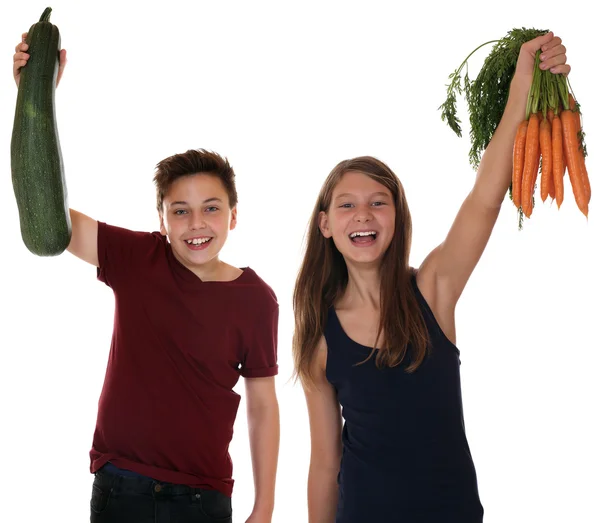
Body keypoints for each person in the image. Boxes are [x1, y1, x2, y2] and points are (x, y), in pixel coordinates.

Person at [292, 32, 570, 522]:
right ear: (325, 224)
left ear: (397, 218)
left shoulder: (432, 290)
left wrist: (522, 93)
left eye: (379, 202)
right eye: (347, 205)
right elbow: (324, 463)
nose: (364, 215)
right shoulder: (319, 335)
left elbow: (484, 199)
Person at [13, 34, 280, 523]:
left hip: (204, 497)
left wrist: (264, 506)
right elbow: (49, 222)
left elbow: (263, 405)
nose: (196, 224)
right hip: (121, 486)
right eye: (180, 211)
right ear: (162, 220)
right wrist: (33, 96)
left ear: (234, 217)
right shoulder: (137, 257)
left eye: (211, 209)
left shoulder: (256, 299)